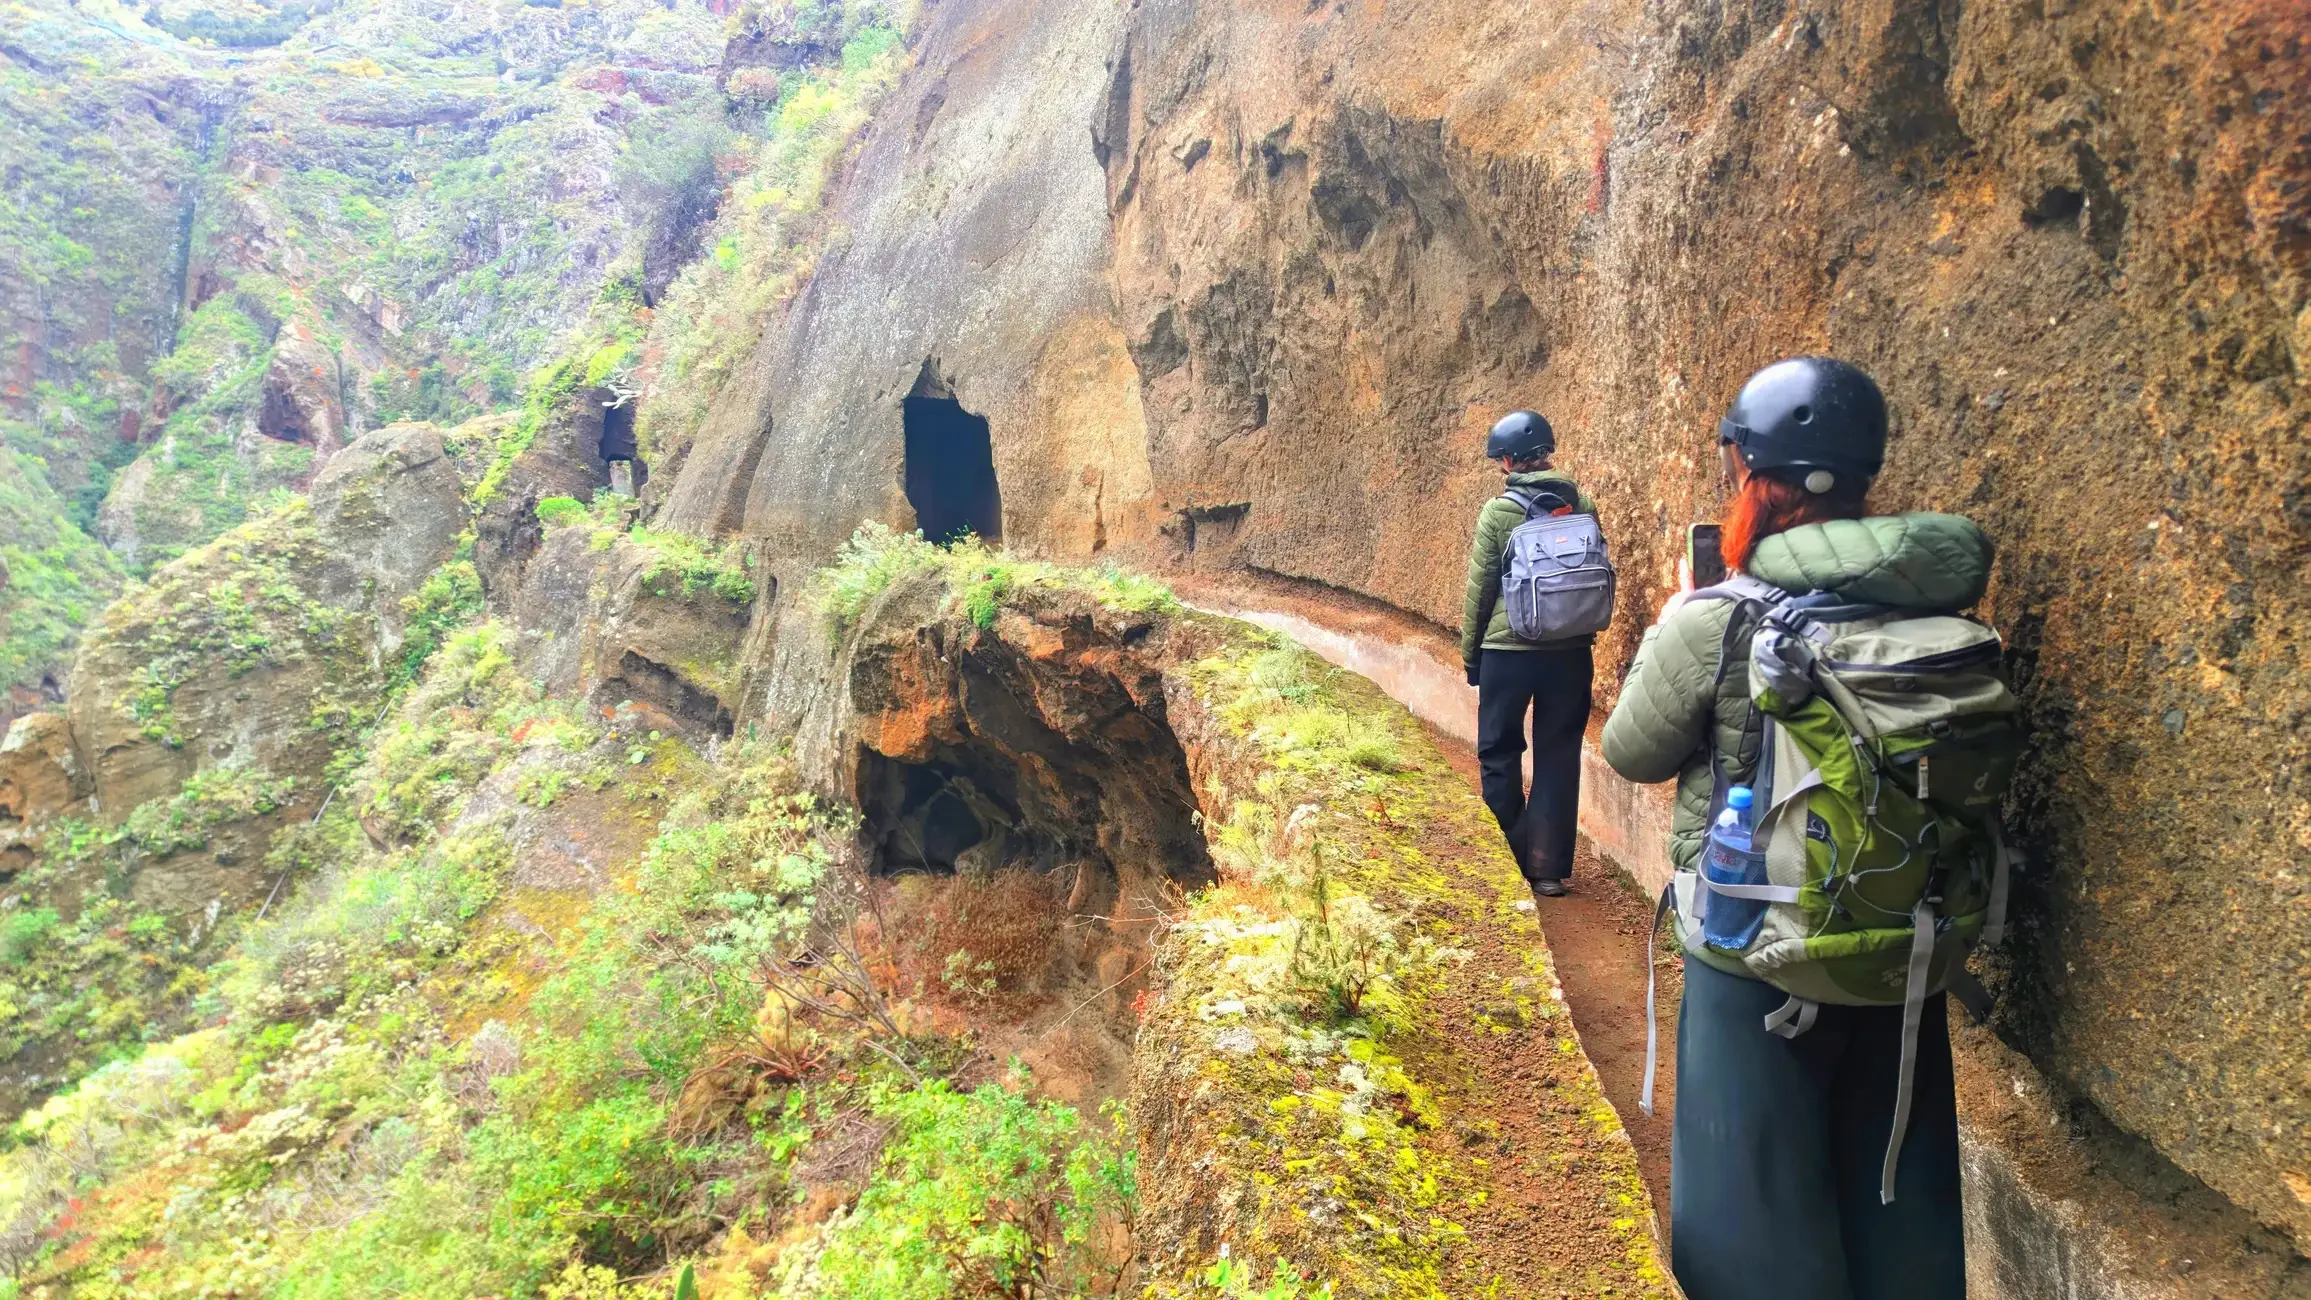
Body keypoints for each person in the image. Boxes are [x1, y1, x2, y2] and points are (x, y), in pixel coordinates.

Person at [1600, 357, 1976, 1300]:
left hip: (1750, 958)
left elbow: (1633, 753)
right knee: (1898, 1202)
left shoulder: (1718, 619)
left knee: (1753, 1227)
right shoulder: (1932, 608)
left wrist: (1673, 625)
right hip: (1902, 950)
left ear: (1749, 477)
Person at [1460, 409, 1598, 900]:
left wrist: (1471, 654)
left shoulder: (1498, 513)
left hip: (1508, 651)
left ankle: (1506, 856)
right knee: (1558, 755)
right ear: (1548, 452)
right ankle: (1547, 870)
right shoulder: (1581, 502)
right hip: (1571, 653)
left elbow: (1481, 590)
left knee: (1499, 749)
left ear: (1507, 462)